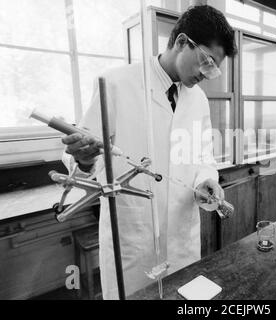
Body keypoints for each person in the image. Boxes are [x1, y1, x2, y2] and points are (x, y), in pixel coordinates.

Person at [61, 5, 237, 299]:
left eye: (213, 68)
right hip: (133, 237)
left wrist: (206, 179)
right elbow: (81, 155)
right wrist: (83, 157)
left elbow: (203, 157)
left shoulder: (199, 100)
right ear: (182, 42)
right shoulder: (116, 83)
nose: (207, 74)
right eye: (206, 62)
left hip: (182, 236)